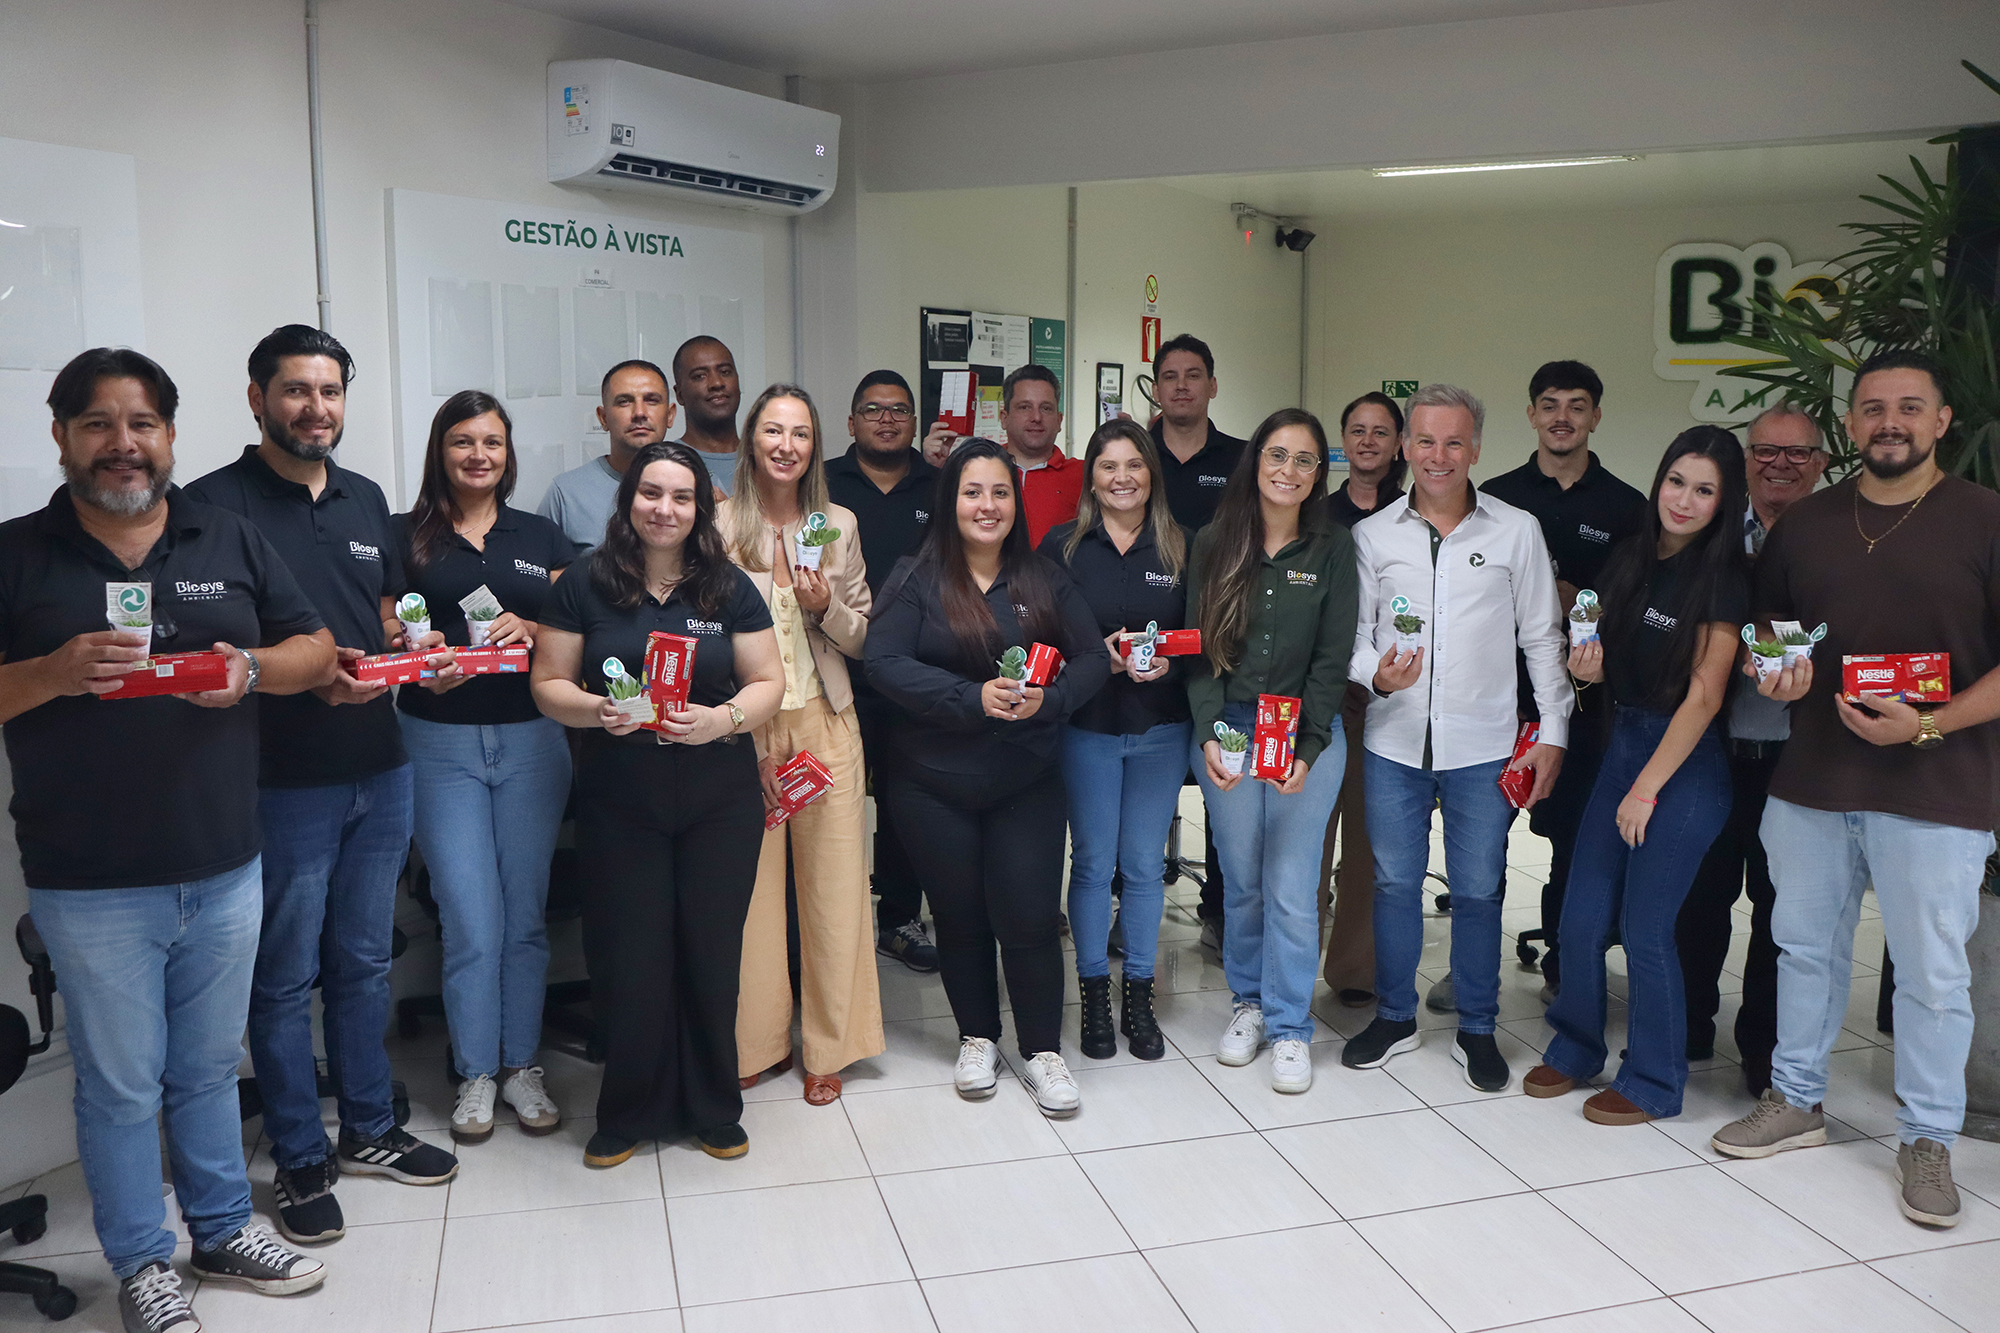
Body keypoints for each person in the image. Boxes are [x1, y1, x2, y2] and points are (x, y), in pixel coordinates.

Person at [3, 349, 334, 1331]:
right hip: (90, 877)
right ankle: (144, 1259)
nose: (122, 443)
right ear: (61, 436)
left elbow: (313, 649)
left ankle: (223, 1227)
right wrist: (51, 673)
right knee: (118, 1086)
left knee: (204, 1066)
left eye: (141, 422)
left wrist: (246, 670)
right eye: (98, 424)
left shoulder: (223, 534)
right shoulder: (18, 555)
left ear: (171, 435)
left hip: (225, 859)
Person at [184, 325, 461, 1248]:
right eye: (296, 391)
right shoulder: (210, 507)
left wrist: (418, 654)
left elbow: (381, 614)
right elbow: (199, 651)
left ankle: (372, 1126)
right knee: (284, 973)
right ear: (257, 398)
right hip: (279, 776)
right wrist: (297, 669)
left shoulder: (364, 497)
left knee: (365, 960)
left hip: (380, 764)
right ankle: (301, 1153)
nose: (316, 408)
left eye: (330, 391)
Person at [1713, 350, 2000, 1231]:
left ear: (1941, 421)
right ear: (1852, 425)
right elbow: (1771, 626)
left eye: (1910, 406)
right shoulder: (1811, 523)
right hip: (1813, 781)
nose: (1890, 422)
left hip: (1938, 784)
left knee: (1932, 975)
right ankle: (1796, 1098)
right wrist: (1780, 671)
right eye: (1873, 408)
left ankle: (1928, 1139)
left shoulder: (1984, 519)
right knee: (1803, 947)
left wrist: (1928, 723)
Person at [531, 441, 785, 1168]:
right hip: (621, 793)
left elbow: (767, 680)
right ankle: (628, 1109)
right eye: (651, 493)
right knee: (630, 955)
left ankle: (712, 1105)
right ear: (628, 500)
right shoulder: (585, 582)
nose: (664, 509)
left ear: (701, 509)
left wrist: (721, 720)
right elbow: (548, 682)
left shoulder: (729, 587)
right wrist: (593, 710)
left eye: (681, 497)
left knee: (710, 950)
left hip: (718, 796)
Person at [865, 440, 1111, 1116]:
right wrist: (967, 697)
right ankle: (978, 1037)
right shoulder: (915, 576)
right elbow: (882, 662)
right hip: (931, 780)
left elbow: (1092, 656)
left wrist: (1053, 700)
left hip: (1024, 777)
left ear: (1015, 503)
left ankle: (1041, 1049)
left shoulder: (1043, 577)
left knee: (1029, 916)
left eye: (1000, 492)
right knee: (959, 915)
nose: (987, 505)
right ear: (950, 501)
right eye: (972, 491)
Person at [1343, 383, 1569, 1093]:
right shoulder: (1373, 534)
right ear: (1406, 448)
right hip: (1393, 742)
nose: (1437, 456)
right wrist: (1374, 674)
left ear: (1475, 450)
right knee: (1392, 883)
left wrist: (1554, 729)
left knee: (1478, 889)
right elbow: (1351, 638)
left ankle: (1477, 1024)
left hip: (1483, 748)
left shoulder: (1515, 530)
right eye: (1425, 441)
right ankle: (1395, 1016)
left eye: (1453, 442)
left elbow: (1541, 637)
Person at [1525, 426, 1748, 1124]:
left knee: (1647, 924)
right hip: (1622, 745)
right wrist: (1583, 671)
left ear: (1723, 501)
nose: (1684, 499)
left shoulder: (1724, 577)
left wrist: (1647, 788)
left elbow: (1706, 695)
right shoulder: (1630, 557)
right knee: (1582, 911)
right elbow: (1595, 656)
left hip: (1683, 765)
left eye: (1704, 489)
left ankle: (1654, 1077)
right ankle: (1577, 1044)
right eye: (1676, 481)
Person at [396, 391, 577, 1144]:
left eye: (493, 443)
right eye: (464, 442)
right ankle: (474, 1068)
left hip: (533, 739)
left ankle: (521, 1063)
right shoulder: (405, 536)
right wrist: (418, 651)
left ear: (509, 453)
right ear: (442, 449)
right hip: (438, 743)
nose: (479, 456)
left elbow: (579, 624)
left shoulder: (540, 532)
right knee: (471, 919)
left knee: (525, 916)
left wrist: (533, 625)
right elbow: (380, 623)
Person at [720, 385, 884, 1104]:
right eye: (773, 430)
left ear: (815, 447)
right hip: (749, 725)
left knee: (835, 889)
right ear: (752, 439)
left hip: (826, 719)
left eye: (801, 434)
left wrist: (828, 608)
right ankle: (755, 1043)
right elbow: (706, 633)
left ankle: (830, 1045)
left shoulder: (838, 523)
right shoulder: (719, 525)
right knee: (750, 895)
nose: (787, 444)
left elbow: (865, 634)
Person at [1188, 408, 1358, 1094]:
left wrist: (1309, 746)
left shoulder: (1333, 548)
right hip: (1231, 725)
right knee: (1244, 880)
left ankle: (1291, 1026)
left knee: (1291, 886)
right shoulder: (1213, 540)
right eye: (1277, 455)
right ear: (1256, 461)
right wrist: (1206, 735)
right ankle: (1249, 1004)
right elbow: (1201, 655)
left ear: (1320, 474)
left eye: (1305, 459)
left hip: (1306, 735)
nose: (1288, 470)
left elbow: (1331, 658)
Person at [1480, 361, 1649, 1002]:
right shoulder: (1493, 495)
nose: (1562, 417)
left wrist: (1576, 600)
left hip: (1585, 701)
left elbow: (1636, 606)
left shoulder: (1628, 506)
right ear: (1530, 414)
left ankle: (1566, 966)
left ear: (1595, 417)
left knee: (1575, 839)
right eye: (1549, 403)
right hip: (1497, 695)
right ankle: (1472, 969)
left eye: (1577, 405)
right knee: (1482, 841)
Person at [1675, 402, 1828, 1091]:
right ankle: (1688, 1025)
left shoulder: (1837, 536)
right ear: (1746, 459)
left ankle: (1763, 1046)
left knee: (1780, 909)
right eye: (1766, 450)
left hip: (1798, 758)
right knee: (1700, 896)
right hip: (1714, 746)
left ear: (1821, 463)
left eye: (1797, 454)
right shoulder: (1709, 528)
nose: (1780, 465)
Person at [1039, 419, 1192, 1062]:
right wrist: (1091, 659)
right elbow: (1040, 639)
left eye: (1134, 465)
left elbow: (1202, 637)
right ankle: (1095, 996)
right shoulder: (1061, 548)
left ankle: (1139, 995)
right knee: (1095, 865)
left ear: (1151, 474)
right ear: (1090, 478)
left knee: (1143, 867)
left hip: (1161, 728)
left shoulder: (1183, 547)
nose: (1122, 477)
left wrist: (1170, 664)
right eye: (1108, 466)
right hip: (1088, 729)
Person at [824, 370, 942, 973]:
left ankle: (898, 917)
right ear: (851, 423)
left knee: (903, 801)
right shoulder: (822, 484)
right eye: (873, 409)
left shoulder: (940, 486)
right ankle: (832, 923)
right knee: (832, 800)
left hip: (915, 674)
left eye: (898, 410)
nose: (887, 419)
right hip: (834, 670)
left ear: (914, 422)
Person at [1146, 334, 1249, 952]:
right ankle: (1131, 903)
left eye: (1193, 375)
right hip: (1148, 646)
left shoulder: (1242, 459)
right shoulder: (1134, 453)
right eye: (1169, 376)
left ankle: (1220, 907)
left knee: (1223, 774)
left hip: (1221, 645)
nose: (1181, 385)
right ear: (1156, 387)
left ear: (1213, 385)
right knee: (1151, 778)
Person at [1320, 392, 1410, 1007]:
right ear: (1343, 441)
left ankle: (1354, 969)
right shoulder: (1316, 515)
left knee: (1366, 847)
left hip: (1391, 699)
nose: (1369, 441)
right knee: (1307, 839)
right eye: (1357, 430)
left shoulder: (1417, 515)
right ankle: (1289, 966)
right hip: (1325, 693)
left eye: (1382, 432)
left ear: (1399, 442)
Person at [538, 359, 674, 552]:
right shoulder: (566, 494)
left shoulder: (697, 486)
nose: (639, 413)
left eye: (652, 400)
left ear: (670, 415)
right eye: (624, 402)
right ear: (603, 418)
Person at [998, 364, 1081, 547]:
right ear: (1004, 418)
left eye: (1046, 408)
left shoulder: (1085, 476)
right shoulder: (980, 472)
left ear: (1059, 421)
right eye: (1024, 407)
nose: (1036, 417)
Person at [672, 336, 744, 497]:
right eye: (700, 376)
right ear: (679, 394)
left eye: (725, 372)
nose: (717, 383)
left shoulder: (765, 461)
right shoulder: (666, 463)